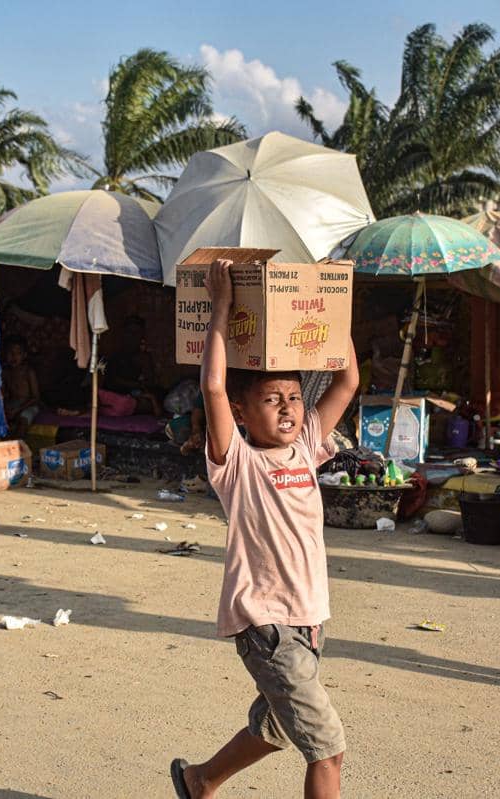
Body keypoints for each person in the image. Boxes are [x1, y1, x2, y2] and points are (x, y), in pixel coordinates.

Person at [171, 258, 360, 799]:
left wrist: (331, 307)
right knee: (328, 749)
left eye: (294, 398)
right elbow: (212, 387)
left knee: (276, 726)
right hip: (266, 626)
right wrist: (221, 307)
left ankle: (200, 780)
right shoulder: (236, 462)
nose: (288, 409)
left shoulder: (308, 446)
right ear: (241, 412)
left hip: (309, 621)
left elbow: (348, 379)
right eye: (272, 400)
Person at [105, 315, 163, 415]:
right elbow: (112, 381)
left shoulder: (144, 357)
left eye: (136, 333)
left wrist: (144, 365)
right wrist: (135, 385)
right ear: (124, 334)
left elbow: (150, 382)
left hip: (137, 394)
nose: (132, 337)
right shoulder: (116, 356)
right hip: (119, 394)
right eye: (129, 332)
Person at [0, 336, 40, 437]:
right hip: (13, 405)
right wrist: (6, 408)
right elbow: (4, 394)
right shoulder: (5, 373)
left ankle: (18, 443)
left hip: (29, 405)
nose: (14, 356)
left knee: (23, 421)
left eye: (18, 353)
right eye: (10, 353)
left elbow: (36, 398)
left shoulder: (28, 372)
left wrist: (18, 410)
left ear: (24, 355)